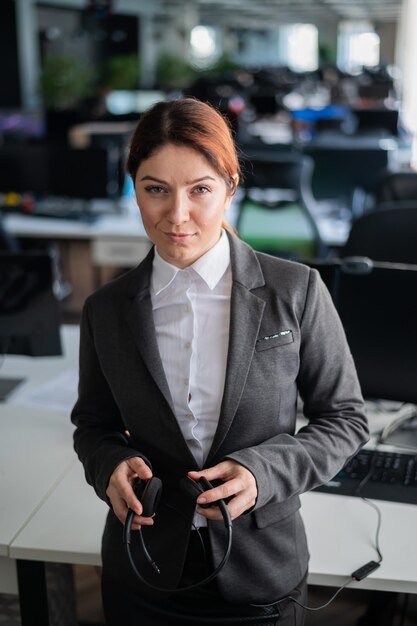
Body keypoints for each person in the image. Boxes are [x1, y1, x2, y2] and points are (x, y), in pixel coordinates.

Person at [71, 97, 369, 626]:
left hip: (260, 572)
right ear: (134, 188)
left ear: (231, 188)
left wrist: (264, 472)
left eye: (200, 190)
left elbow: (345, 420)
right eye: (155, 189)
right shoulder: (106, 309)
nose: (177, 215)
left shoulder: (294, 290)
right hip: (142, 567)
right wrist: (107, 465)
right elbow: (92, 425)